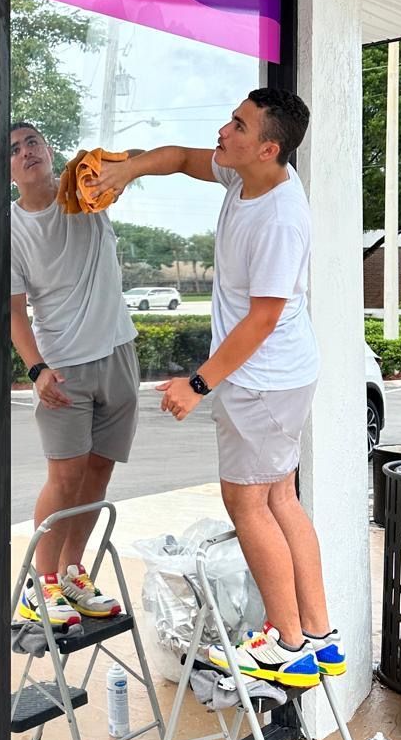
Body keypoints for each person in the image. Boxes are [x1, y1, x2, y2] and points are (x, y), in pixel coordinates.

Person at [94, 90, 339, 690]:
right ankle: (318, 637)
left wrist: (199, 382)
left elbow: (262, 318)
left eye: (238, 125)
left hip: (263, 380)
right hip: (276, 378)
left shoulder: (280, 216)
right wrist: (127, 168)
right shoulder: (243, 179)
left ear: (268, 147)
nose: (223, 131)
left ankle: (287, 646)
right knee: (280, 498)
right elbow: (178, 156)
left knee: (248, 503)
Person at [9, 121, 142, 629]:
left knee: (98, 473)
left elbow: (138, 159)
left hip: (117, 353)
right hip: (62, 366)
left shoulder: (84, 191)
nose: (26, 153)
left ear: (48, 148)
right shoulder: (11, 228)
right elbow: (14, 312)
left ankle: (72, 573)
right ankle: (40, 586)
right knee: (64, 478)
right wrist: (37, 368)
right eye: (14, 150)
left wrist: (117, 168)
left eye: (32, 142)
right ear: (8, 169)